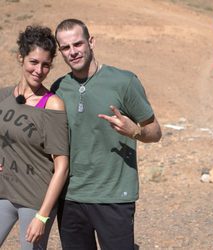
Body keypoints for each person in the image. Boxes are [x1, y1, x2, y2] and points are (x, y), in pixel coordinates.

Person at [51, 18, 162, 250]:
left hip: (114, 196)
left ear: (91, 42)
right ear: (60, 51)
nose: (73, 52)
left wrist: (135, 131)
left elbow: (155, 132)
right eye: (65, 47)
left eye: (78, 44)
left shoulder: (124, 81)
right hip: (70, 198)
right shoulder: (58, 88)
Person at [0, 25, 69, 249]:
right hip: (4, 192)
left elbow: (62, 166)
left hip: (35, 200)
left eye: (46, 65)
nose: (39, 70)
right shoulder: (4, 95)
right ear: (21, 58)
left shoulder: (52, 105)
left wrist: (42, 216)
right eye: (34, 62)